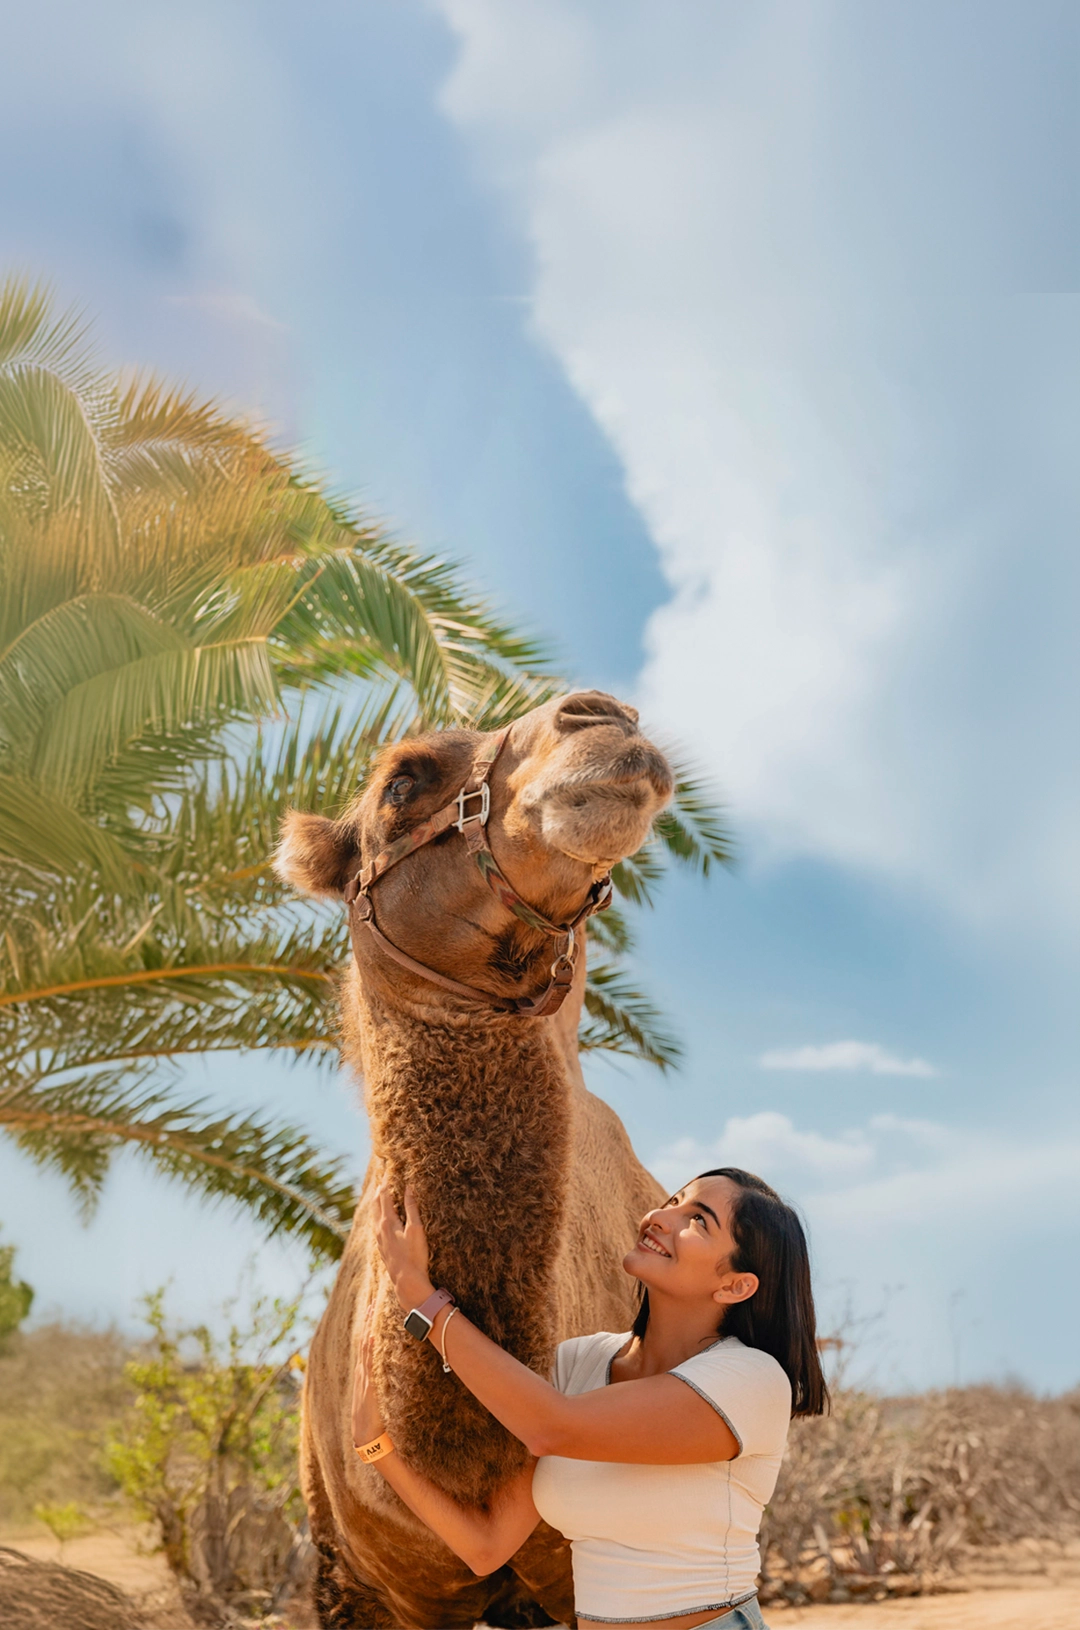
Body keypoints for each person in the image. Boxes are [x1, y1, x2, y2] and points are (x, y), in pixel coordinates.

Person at [352, 1165, 828, 1630]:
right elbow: (486, 1546)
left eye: (698, 1221)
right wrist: (375, 1445)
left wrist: (420, 1296)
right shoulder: (580, 1361)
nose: (661, 1218)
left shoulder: (749, 1379)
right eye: (673, 1202)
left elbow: (548, 1427)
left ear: (735, 1285)